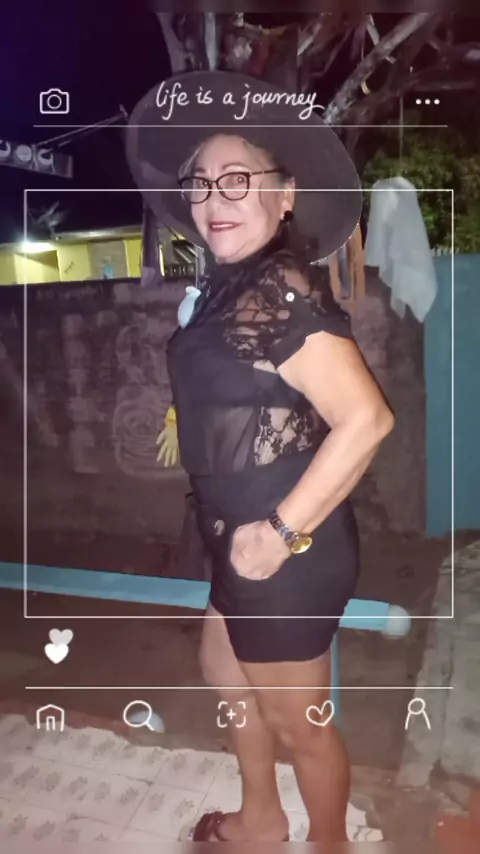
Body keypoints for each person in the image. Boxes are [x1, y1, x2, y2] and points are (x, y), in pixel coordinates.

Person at [127, 71, 395, 843]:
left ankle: (328, 842)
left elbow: (367, 419)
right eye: (201, 182)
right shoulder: (229, 285)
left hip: (282, 546)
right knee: (224, 672)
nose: (214, 197)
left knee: (300, 726)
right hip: (234, 534)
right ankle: (260, 818)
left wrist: (277, 535)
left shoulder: (275, 285)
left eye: (238, 179)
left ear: (285, 197)